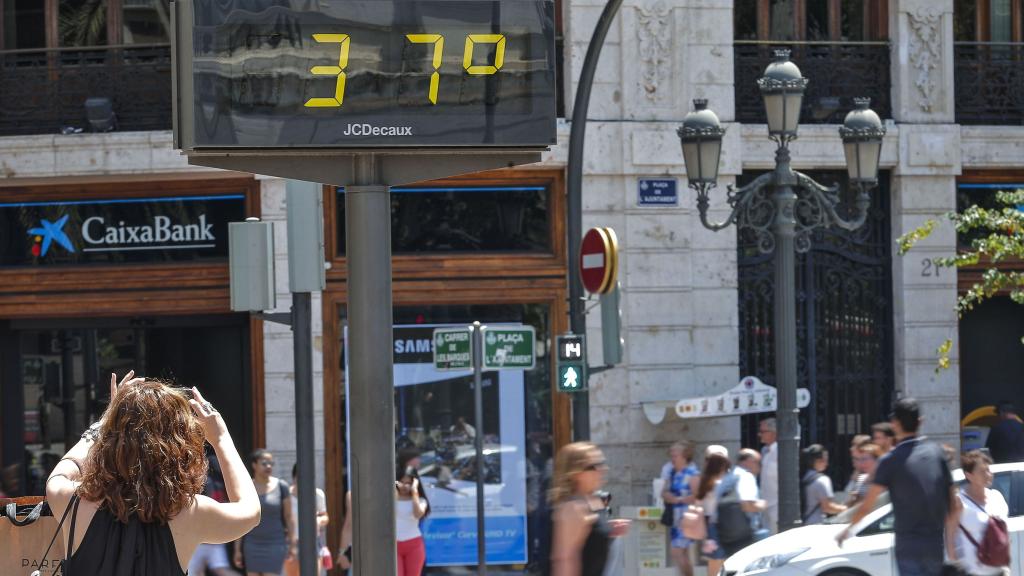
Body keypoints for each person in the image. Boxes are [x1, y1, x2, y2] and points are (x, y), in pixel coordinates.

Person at [45, 371, 260, 575]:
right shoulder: (191, 512)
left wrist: (105, 422)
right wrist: (221, 440)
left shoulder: (72, 501)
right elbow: (250, 511)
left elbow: (63, 472)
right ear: (180, 445)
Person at [838, 398, 959, 576]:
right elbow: (953, 504)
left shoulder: (889, 461)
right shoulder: (937, 453)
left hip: (907, 547)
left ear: (895, 424)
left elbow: (867, 505)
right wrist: (951, 546)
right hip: (934, 545)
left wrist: (847, 530)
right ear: (920, 422)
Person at [548, 442, 630, 576]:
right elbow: (564, 560)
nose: (602, 469)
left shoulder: (594, 500)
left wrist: (609, 528)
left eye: (602, 463)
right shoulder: (572, 508)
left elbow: (591, 535)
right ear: (576, 472)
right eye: (594, 466)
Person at [947, 450, 1010, 575]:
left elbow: (1004, 534)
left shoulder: (997, 497)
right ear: (969, 475)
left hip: (999, 570)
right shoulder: (959, 501)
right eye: (982, 471)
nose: (988, 474)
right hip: (973, 571)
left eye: (989, 470)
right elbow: (949, 535)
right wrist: (955, 563)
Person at [236, 449, 296, 576]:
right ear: (254, 465)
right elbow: (240, 518)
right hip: (252, 543)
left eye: (271, 463)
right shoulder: (246, 486)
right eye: (264, 463)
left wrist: (292, 544)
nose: (269, 466)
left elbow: (289, 517)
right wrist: (237, 550)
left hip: (275, 542)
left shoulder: (282, 486)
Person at [188, 450, 237, 576]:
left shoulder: (203, 484)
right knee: (219, 570)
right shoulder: (224, 485)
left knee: (194, 572)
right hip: (217, 535)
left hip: (199, 537)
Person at [714, 449, 766, 557]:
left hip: (726, 534)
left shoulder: (727, 478)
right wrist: (762, 505)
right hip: (745, 535)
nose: (760, 467)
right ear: (748, 461)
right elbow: (747, 504)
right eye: (758, 462)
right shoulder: (745, 477)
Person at [660, 441, 700, 576]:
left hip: (687, 517)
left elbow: (697, 496)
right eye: (671, 455)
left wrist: (679, 500)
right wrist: (668, 496)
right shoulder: (671, 472)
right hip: (676, 518)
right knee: (683, 554)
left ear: (684, 456)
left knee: (676, 552)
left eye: (675, 455)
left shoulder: (693, 473)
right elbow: (663, 491)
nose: (672, 458)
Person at [283, 463, 330, 576]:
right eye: (300, 478)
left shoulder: (317, 494)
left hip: (313, 541)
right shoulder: (286, 495)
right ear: (294, 478)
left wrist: (319, 520)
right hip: (291, 542)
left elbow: (325, 516)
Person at [695, 447, 731, 576]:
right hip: (717, 525)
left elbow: (698, 504)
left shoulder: (731, 479)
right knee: (717, 561)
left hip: (724, 525)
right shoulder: (706, 481)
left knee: (723, 562)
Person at [396, 449, 430, 576]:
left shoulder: (420, 500)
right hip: (394, 544)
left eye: (409, 483)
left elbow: (418, 514)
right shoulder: (391, 499)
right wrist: (395, 487)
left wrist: (415, 491)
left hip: (414, 543)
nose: (405, 486)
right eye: (402, 482)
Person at [801, 444, 846, 524]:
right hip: (816, 523)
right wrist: (847, 509)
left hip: (803, 521)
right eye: (825, 460)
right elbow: (827, 507)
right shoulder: (822, 480)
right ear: (817, 461)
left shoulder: (803, 477)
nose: (827, 464)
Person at [758, 418, 779, 534]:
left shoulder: (782, 451)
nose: (759, 434)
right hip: (765, 507)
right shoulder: (765, 451)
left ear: (773, 433)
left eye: (762, 431)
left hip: (777, 507)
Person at [845, 442, 881, 507]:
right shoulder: (861, 478)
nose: (861, 463)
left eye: (865, 459)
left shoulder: (884, 480)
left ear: (877, 460)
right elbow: (846, 500)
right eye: (859, 459)